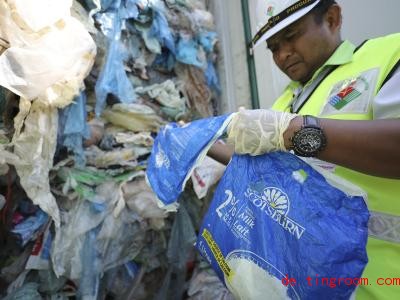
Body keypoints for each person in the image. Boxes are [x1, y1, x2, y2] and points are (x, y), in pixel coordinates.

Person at [208, 0, 400, 299]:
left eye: (292, 36)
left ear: (333, 18)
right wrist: (205, 144)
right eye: (273, 48)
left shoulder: (387, 56)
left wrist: (294, 132)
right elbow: (266, 166)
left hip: (379, 281)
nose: (283, 53)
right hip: (304, 282)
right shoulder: (285, 101)